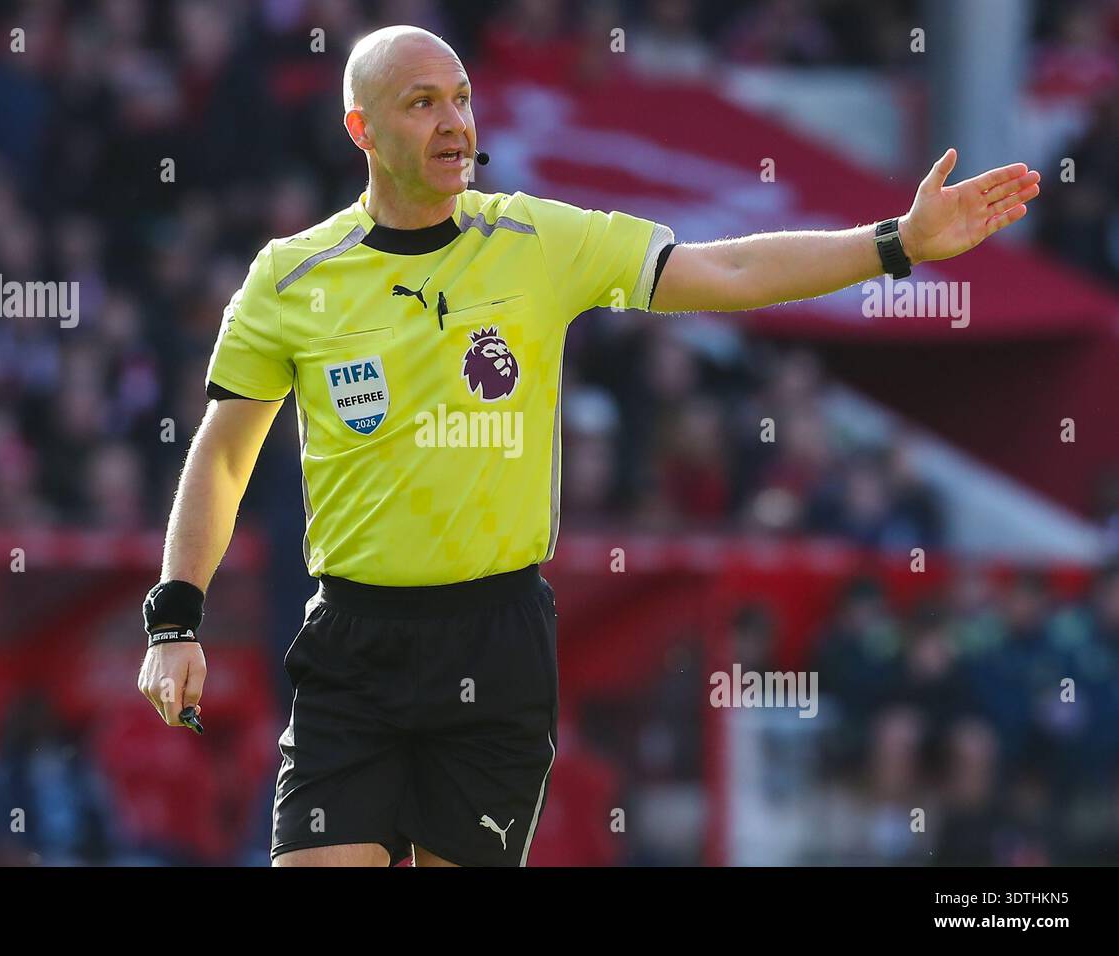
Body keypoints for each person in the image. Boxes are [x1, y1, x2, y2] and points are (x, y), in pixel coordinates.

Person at [136, 24, 1041, 868]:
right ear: (360, 128)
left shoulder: (539, 240)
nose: (455, 122)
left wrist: (897, 244)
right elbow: (222, 453)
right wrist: (176, 620)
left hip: (494, 644)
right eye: (422, 104)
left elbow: (723, 269)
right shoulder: (289, 276)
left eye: (461, 98)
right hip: (351, 646)